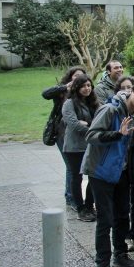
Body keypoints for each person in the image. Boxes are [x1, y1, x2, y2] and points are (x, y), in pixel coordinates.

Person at [83, 80, 134, 267]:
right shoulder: (110, 109)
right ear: (131, 91)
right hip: (101, 171)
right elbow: (91, 136)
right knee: (105, 219)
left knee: (123, 215)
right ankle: (102, 264)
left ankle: (120, 256)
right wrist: (117, 134)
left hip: (122, 172)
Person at [42, 65, 87, 210]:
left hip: (78, 135)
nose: (78, 78)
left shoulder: (84, 92)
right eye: (75, 76)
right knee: (71, 167)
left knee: (77, 167)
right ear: (70, 77)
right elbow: (45, 93)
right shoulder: (63, 92)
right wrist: (64, 88)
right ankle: (71, 197)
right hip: (62, 134)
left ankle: (73, 195)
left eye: (81, 76)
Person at [61, 74, 99, 222]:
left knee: (94, 177)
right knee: (77, 178)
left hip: (91, 145)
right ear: (76, 87)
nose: (87, 88)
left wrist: (87, 124)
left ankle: (90, 206)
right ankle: (80, 208)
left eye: (89, 85)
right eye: (83, 86)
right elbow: (74, 124)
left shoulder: (95, 102)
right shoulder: (69, 103)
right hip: (74, 147)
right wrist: (93, 127)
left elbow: (102, 118)